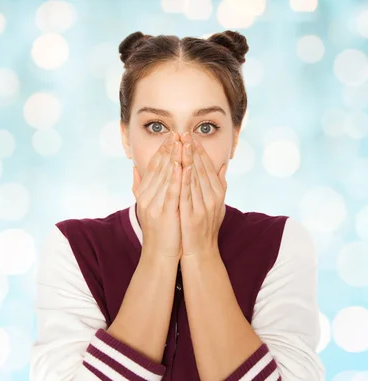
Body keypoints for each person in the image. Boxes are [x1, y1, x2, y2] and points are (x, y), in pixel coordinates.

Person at [30, 30, 325, 381]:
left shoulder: (280, 243)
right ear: (126, 136)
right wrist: (159, 253)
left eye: (205, 127)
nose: (182, 151)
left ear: (235, 137)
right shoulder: (76, 247)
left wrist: (201, 252)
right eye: (156, 126)